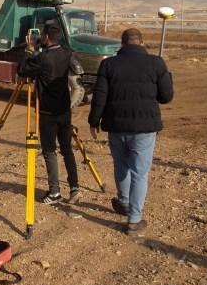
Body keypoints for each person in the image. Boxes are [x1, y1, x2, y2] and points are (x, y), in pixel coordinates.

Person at [88, 27, 174, 236]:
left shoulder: (108, 64)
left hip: (116, 127)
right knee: (139, 172)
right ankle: (133, 220)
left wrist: (93, 121)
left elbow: (100, 95)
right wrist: (166, 77)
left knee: (121, 165)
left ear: (122, 44)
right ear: (142, 42)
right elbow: (166, 97)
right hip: (144, 128)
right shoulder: (156, 63)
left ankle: (124, 202)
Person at [17, 24, 81, 205]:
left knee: (50, 151)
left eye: (43, 37)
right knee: (66, 148)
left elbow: (22, 70)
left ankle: (54, 192)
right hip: (64, 110)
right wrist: (41, 45)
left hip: (48, 111)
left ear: (45, 38)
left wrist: (29, 51)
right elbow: (59, 46)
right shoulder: (66, 52)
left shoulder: (43, 59)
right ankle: (75, 187)